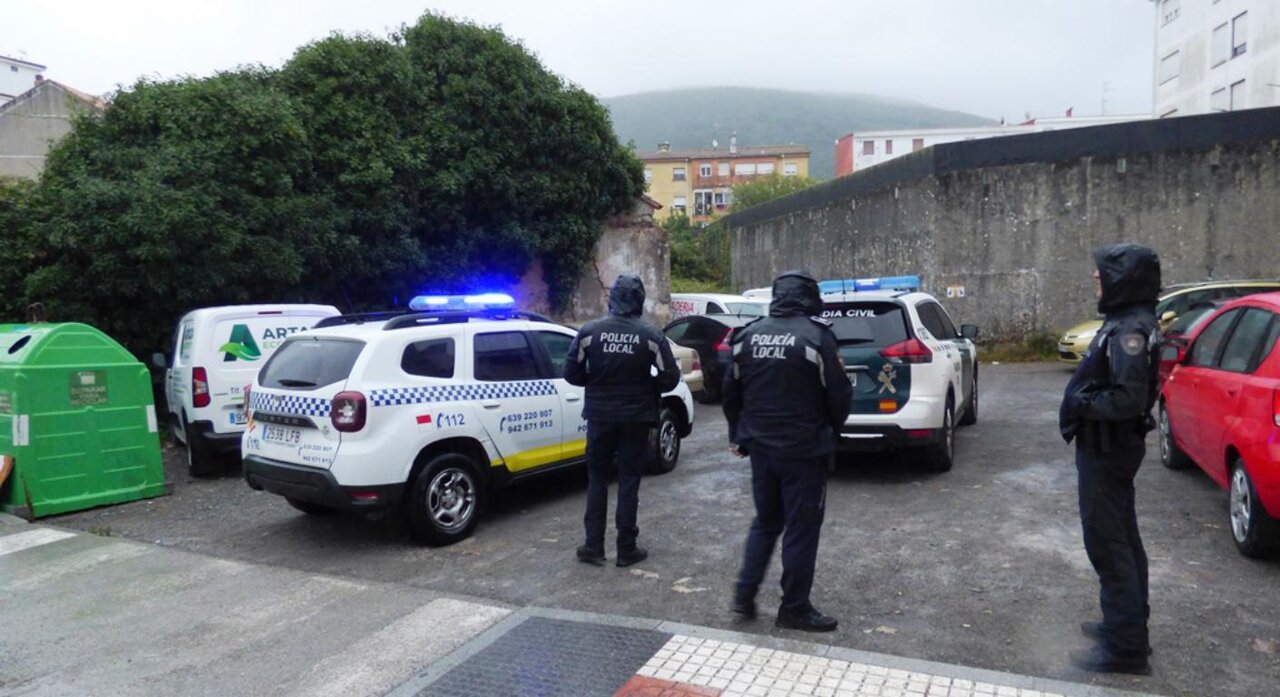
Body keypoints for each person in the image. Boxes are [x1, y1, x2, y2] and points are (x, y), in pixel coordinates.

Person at [724, 271, 852, 632]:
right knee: (801, 528)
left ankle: (744, 596)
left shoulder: (745, 337)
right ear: (810, 297)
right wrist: (831, 431)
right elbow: (839, 395)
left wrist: (738, 435)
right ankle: (794, 608)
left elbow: (730, 392)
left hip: (762, 448)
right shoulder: (817, 337)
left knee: (766, 522)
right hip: (804, 450)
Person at [1059, 243, 1161, 675]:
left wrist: (1081, 403)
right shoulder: (1124, 322)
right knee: (1122, 536)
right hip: (1109, 447)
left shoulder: (1128, 331)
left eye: (1102, 274)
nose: (1095, 280)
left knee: (1109, 542)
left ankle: (1125, 648)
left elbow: (1127, 398)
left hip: (1108, 447)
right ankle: (1126, 625)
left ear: (1123, 278)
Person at [565, 274, 680, 568]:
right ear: (639, 301)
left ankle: (593, 546)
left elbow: (571, 373)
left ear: (612, 299)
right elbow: (670, 377)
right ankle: (626, 549)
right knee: (629, 482)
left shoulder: (589, 332)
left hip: (599, 417)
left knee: (597, 480)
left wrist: (597, 382)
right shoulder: (651, 335)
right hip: (636, 417)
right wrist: (648, 385)